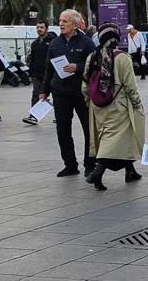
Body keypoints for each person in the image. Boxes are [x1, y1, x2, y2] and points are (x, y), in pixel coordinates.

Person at [83, 23, 145, 191]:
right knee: (114, 138)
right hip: (118, 105)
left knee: (113, 137)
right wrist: (137, 103)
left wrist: (90, 100)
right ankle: (98, 171)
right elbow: (130, 85)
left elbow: (85, 84)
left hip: (97, 106)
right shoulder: (122, 57)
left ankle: (130, 170)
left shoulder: (92, 56)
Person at [40, 9, 96, 177]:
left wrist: (77, 67)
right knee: (62, 130)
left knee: (89, 130)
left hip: (82, 93)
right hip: (60, 92)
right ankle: (70, 165)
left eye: (65, 21)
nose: (61, 23)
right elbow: (48, 69)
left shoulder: (87, 43)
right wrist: (44, 90)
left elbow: (95, 66)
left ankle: (90, 165)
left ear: (75, 24)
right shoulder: (55, 43)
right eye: (60, 20)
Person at [23, 22, 54, 125]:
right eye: (38, 27)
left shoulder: (53, 41)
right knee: (36, 94)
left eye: (41, 27)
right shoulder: (35, 43)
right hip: (38, 75)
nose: (39, 29)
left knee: (57, 96)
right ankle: (33, 117)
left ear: (46, 28)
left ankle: (59, 116)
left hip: (52, 74)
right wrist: (31, 73)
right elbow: (33, 59)